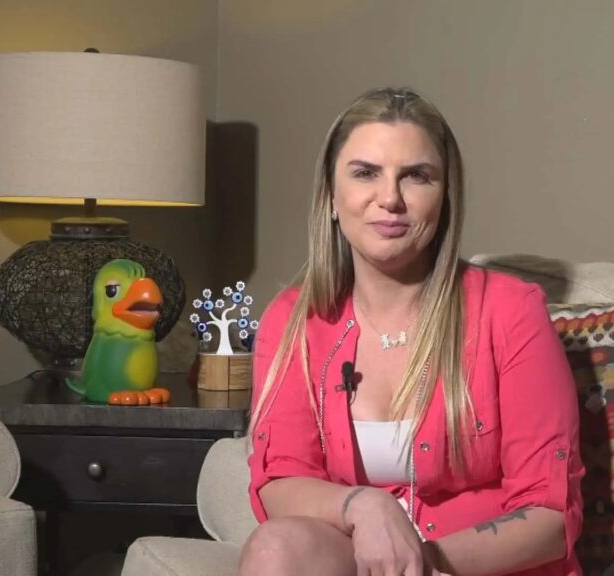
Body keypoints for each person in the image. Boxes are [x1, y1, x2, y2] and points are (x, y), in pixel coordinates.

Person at [238, 87, 585, 576]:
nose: (390, 199)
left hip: (477, 569)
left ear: (444, 198)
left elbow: (550, 515)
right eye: (365, 173)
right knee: (275, 549)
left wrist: (420, 562)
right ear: (332, 196)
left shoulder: (510, 312)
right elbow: (280, 480)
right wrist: (364, 506)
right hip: (358, 561)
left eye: (416, 176)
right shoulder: (294, 320)